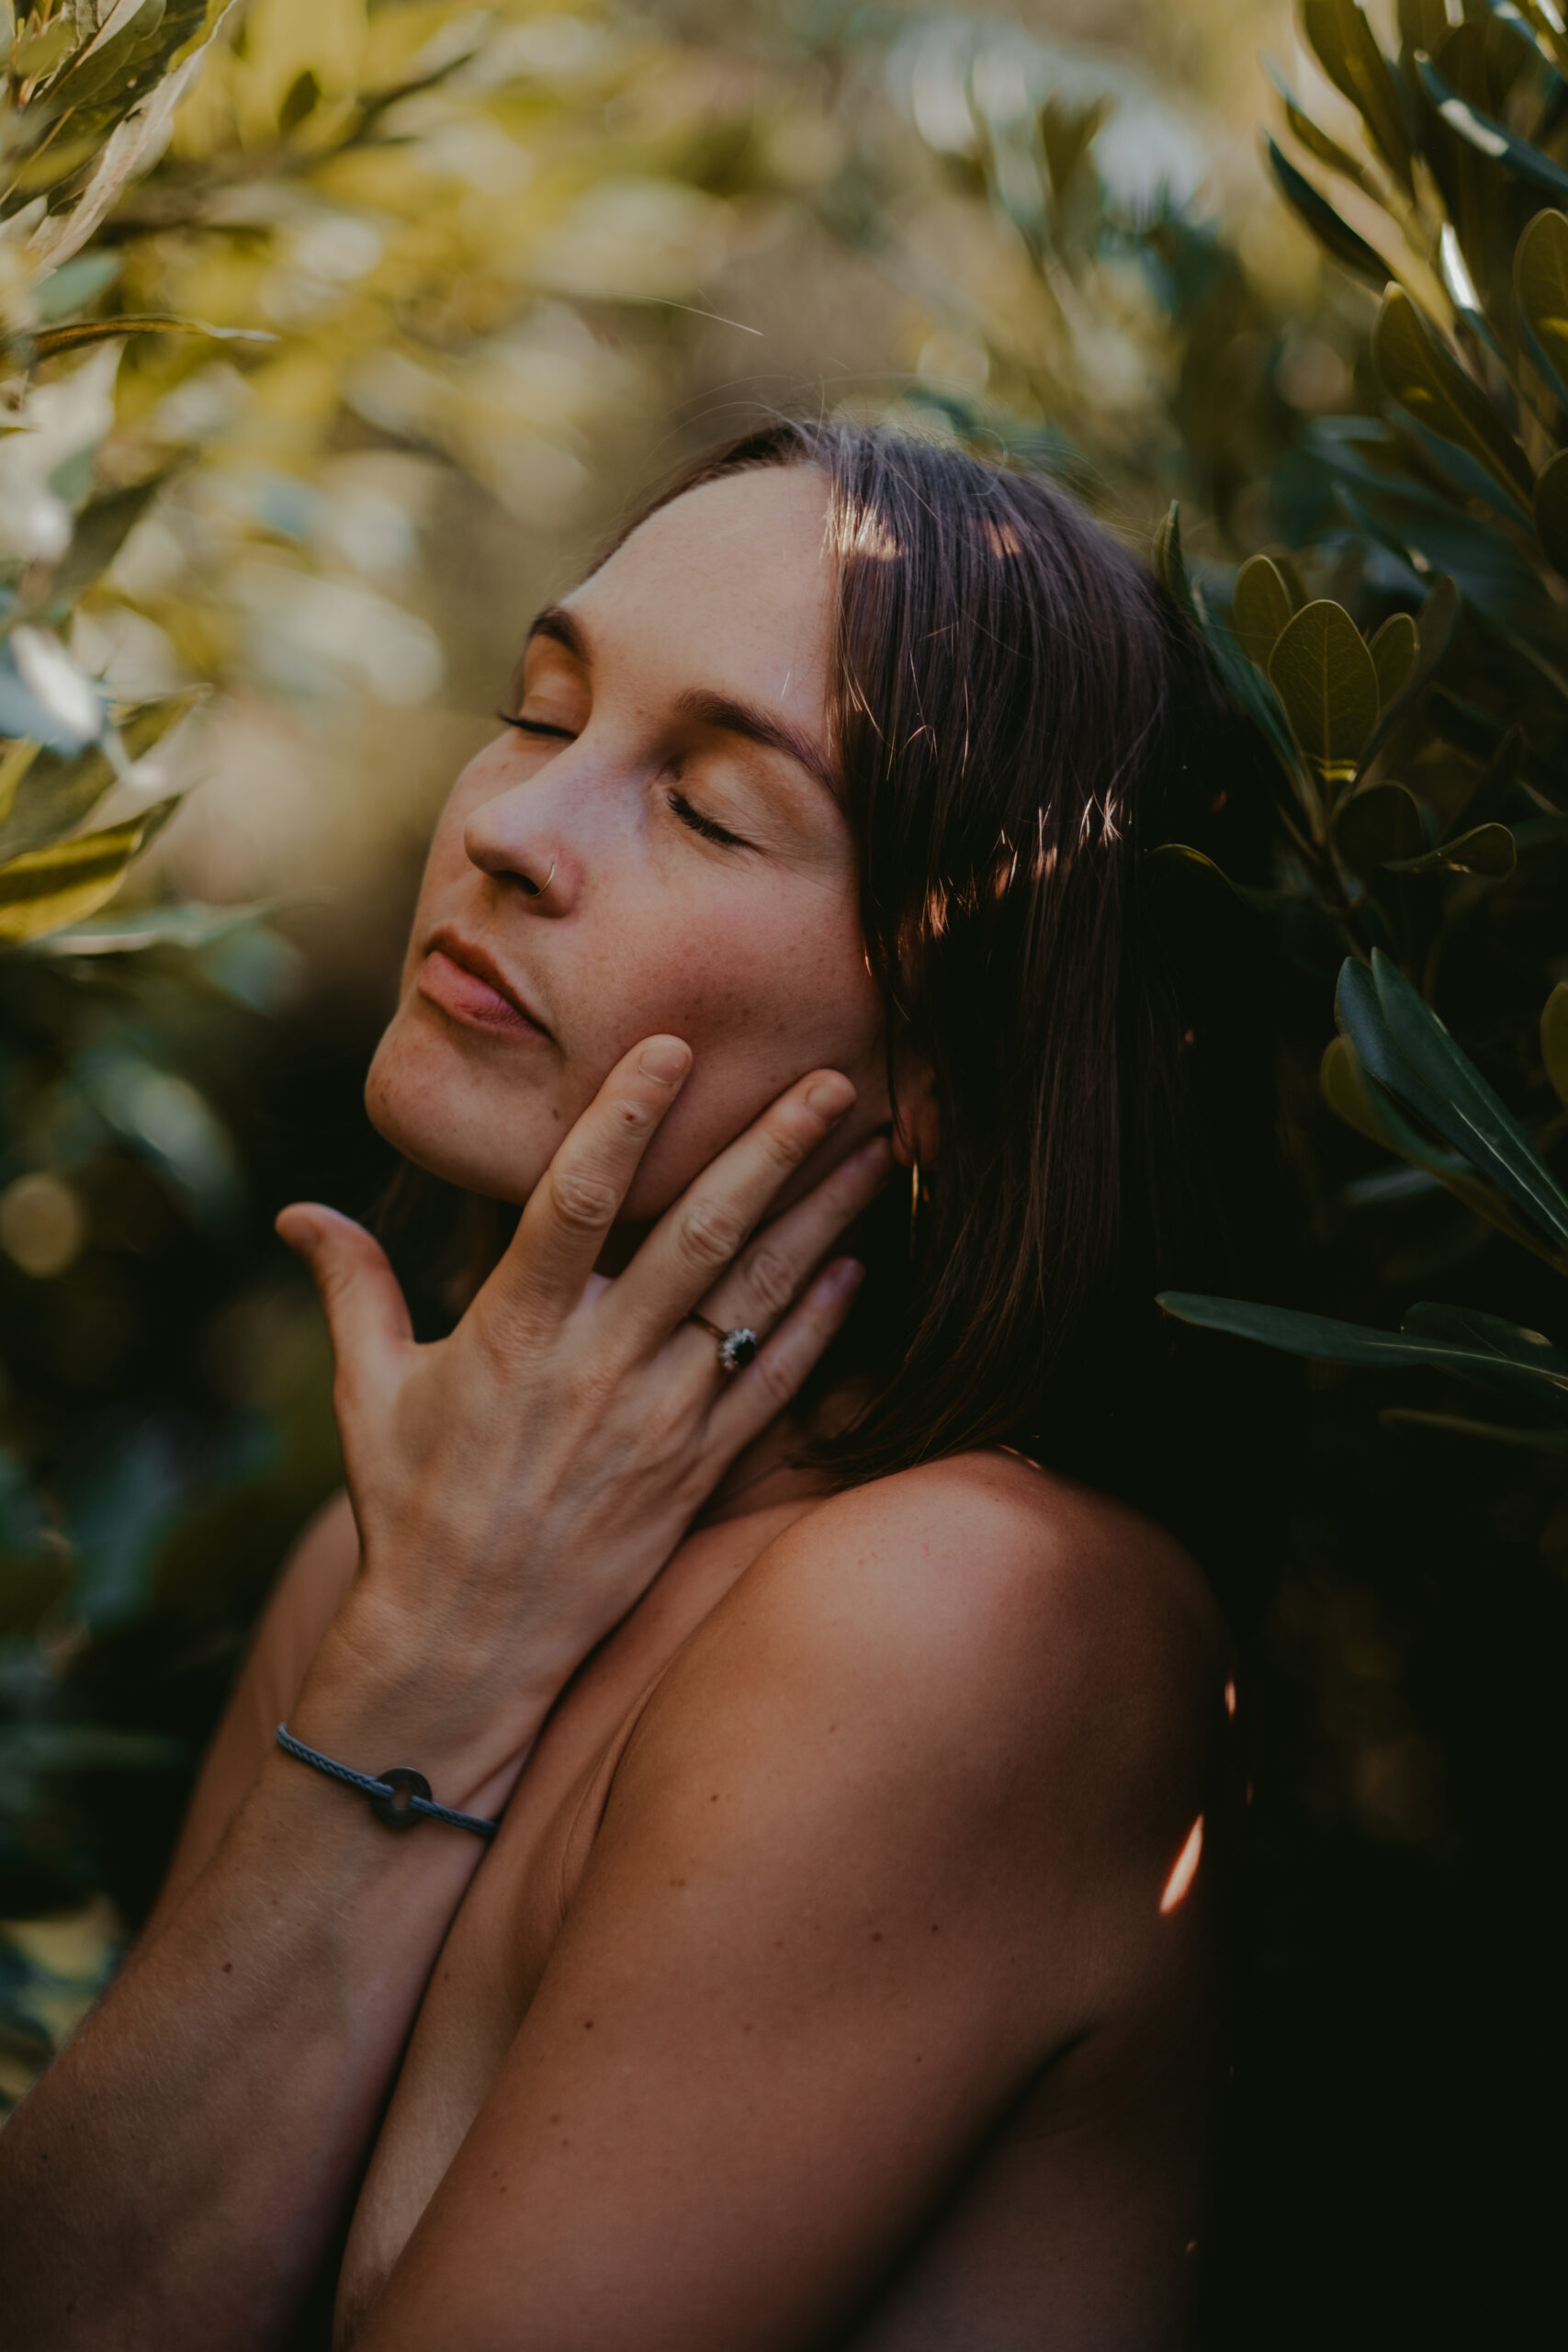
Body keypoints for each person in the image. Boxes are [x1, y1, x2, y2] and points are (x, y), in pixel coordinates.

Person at [0, 421, 1281, 2350]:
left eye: (704, 805)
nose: (507, 827)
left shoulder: (980, 1612)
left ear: (960, 1053)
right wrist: (415, 1664)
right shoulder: (402, 1562)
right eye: (537, 710)